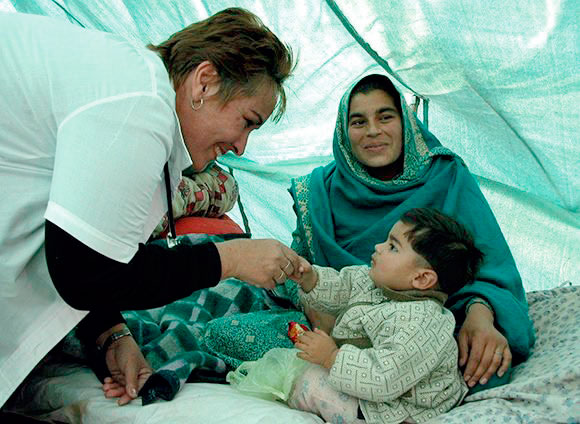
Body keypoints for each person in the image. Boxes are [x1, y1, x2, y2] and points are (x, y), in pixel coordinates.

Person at [0, 7, 298, 408]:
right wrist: (229, 259)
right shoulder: (141, 104)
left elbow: (84, 242)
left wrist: (112, 334)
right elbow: (83, 273)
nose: (241, 147)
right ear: (205, 82)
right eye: (247, 121)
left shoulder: (130, 85)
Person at [282, 73, 535, 393]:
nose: (373, 131)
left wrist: (480, 315)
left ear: (405, 121)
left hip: (427, 326)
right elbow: (295, 268)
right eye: (358, 122)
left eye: (385, 117)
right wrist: (315, 307)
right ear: (343, 133)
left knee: (485, 364)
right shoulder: (319, 191)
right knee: (253, 340)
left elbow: (490, 265)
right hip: (340, 325)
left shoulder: (446, 176)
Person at [231, 207, 484, 423]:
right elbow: (343, 286)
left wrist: (331, 357)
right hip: (366, 377)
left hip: (403, 408)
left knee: (309, 383)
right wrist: (311, 279)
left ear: (421, 279)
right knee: (301, 364)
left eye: (392, 247)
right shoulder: (375, 281)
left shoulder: (422, 324)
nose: (378, 247)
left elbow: (384, 378)